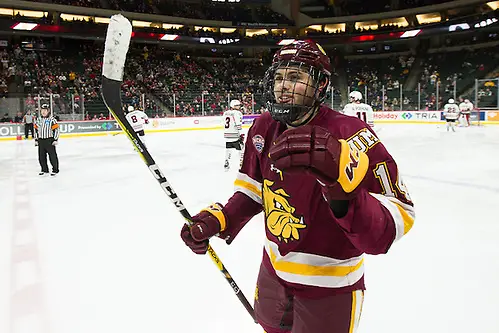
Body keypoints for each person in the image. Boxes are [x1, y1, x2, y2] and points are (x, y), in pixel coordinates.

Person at [180, 40, 415, 333]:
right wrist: (222, 218)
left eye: (295, 77)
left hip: (329, 287)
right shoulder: (263, 127)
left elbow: (395, 221)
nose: (283, 86)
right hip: (273, 274)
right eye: (279, 77)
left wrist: (344, 194)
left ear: (320, 85)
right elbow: (253, 190)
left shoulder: (353, 135)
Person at [34, 105, 59, 176]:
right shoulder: (38, 120)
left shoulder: (52, 120)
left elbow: (56, 130)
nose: (43, 112)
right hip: (41, 140)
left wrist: (55, 139)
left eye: (45, 110)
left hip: (49, 140)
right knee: (41, 156)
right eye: (42, 110)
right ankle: (44, 169)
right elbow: (36, 130)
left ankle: (55, 169)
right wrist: (36, 139)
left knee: (52, 156)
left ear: (48, 111)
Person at [222, 99, 244, 171]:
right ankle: (242, 165)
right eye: (237, 105)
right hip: (235, 135)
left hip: (227, 134)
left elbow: (223, 122)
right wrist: (241, 134)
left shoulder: (225, 113)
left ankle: (226, 162)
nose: (239, 107)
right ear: (233, 106)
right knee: (241, 150)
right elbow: (238, 124)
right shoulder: (237, 113)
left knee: (228, 149)